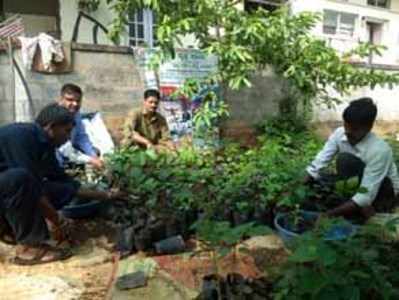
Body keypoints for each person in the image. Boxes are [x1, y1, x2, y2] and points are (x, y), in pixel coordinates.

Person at [0, 104, 121, 265]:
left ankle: (10, 230)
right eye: (66, 131)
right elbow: (31, 188)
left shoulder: (44, 145)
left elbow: (63, 180)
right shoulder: (20, 136)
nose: (69, 137)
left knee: (57, 189)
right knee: (21, 179)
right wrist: (57, 220)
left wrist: (108, 195)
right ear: (51, 127)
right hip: (10, 185)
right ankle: (29, 248)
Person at [304, 97, 399, 221]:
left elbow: (364, 197)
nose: (348, 131)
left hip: (384, 192)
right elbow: (316, 166)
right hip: (358, 183)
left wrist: (328, 215)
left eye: (354, 129)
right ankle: (352, 205)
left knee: (346, 160)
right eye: (346, 125)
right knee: (321, 180)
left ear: (369, 127)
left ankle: (373, 213)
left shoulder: (380, 150)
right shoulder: (340, 134)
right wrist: (291, 191)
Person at [57, 83, 104, 169]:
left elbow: (81, 137)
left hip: (68, 157)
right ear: (61, 99)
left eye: (78, 101)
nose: (75, 104)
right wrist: (90, 160)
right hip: (52, 161)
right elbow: (64, 148)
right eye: (70, 100)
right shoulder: (56, 115)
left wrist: (93, 155)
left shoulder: (75, 114)